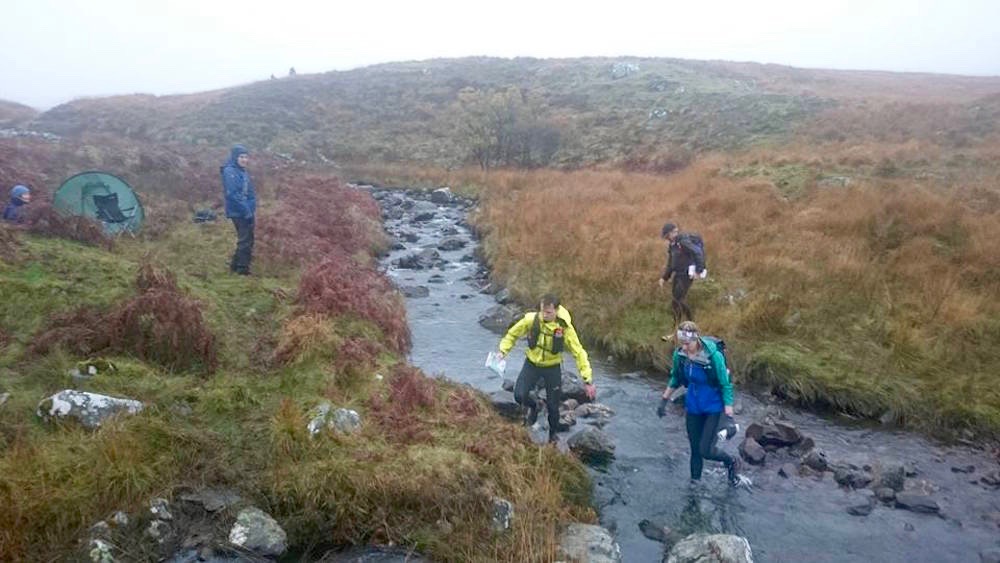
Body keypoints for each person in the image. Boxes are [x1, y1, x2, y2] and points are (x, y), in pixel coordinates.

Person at [498, 294, 595, 443]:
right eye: (543, 311)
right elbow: (513, 334)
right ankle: (535, 406)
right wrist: (503, 351)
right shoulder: (532, 320)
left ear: (556, 311)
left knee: (553, 407)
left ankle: (552, 435)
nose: (544, 315)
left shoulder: (564, 327)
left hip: (552, 368)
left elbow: (579, 352)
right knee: (519, 395)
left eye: (548, 312)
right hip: (531, 364)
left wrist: (587, 380)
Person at [657, 321, 740, 486]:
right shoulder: (680, 355)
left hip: (713, 408)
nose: (685, 347)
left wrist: (728, 414)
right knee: (695, 450)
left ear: (696, 339)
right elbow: (676, 378)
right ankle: (694, 484)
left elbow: (725, 384)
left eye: (688, 343)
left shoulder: (713, 356)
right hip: (693, 406)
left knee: (706, 450)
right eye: (682, 343)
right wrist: (664, 400)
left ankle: (731, 461)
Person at [658, 222, 705, 333]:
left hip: (687, 274)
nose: (666, 239)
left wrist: (699, 271)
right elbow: (671, 263)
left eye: (666, 236)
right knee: (675, 301)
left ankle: (692, 324)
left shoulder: (683, 241)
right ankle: (676, 327)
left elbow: (698, 253)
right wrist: (664, 278)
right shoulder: (672, 245)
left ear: (671, 233)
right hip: (678, 274)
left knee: (679, 299)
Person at [221, 145, 256, 275]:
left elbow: (250, 192)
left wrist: (252, 206)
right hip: (238, 211)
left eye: (246, 157)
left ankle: (235, 266)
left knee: (247, 238)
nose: (244, 160)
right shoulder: (230, 171)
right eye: (241, 157)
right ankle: (242, 269)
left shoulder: (242, 171)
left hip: (246, 210)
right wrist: (246, 210)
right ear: (235, 157)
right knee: (245, 239)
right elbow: (232, 194)